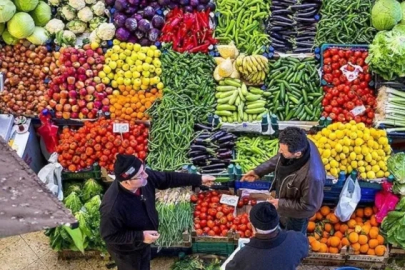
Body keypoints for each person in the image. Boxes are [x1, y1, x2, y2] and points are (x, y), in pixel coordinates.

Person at [100, 154, 215, 270]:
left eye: (143, 169)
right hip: (127, 251)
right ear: (126, 182)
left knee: (145, 264)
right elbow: (109, 236)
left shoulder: (143, 179)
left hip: (143, 243)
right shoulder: (112, 207)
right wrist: (140, 236)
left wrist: (199, 179)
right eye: (140, 175)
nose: (146, 175)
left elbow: (167, 178)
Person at [241, 127, 325, 234]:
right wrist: (258, 171)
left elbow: (309, 207)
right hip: (287, 199)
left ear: (298, 154)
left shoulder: (312, 177)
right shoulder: (303, 143)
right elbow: (280, 158)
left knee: (293, 236)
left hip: (297, 215)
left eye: (283, 150)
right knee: (282, 224)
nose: (279, 151)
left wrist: (280, 204)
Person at [225, 202, 309, 270]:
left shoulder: (242, 257)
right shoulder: (296, 239)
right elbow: (304, 251)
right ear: (277, 220)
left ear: (252, 225)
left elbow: (229, 268)